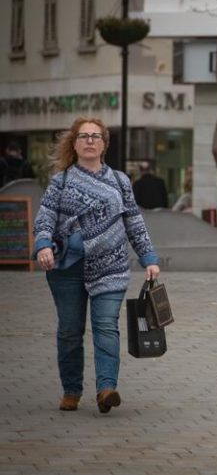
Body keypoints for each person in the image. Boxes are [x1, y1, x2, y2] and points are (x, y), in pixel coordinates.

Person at [32, 117, 160, 413]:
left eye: (95, 136)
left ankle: (106, 389)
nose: (90, 141)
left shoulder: (119, 181)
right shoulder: (60, 181)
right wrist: (42, 246)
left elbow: (134, 222)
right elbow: (45, 219)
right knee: (69, 331)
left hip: (110, 266)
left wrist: (149, 258)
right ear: (74, 144)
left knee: (106, 326)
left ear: (104, 143)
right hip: (67, 268)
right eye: (83, 136)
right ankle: (71, 390)